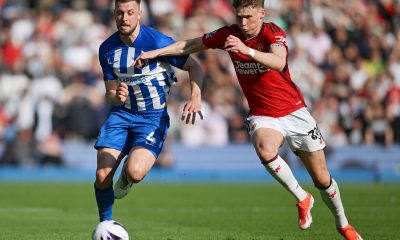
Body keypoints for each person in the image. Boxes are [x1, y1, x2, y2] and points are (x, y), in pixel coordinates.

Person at [137, 0, 362, 239]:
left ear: (262, 13)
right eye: (239, 17)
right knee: (266, 150)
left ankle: (342, 223)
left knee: (322, 178)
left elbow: (279, 62)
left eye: (249, 17)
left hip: (294, 112)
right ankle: (301, 197)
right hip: (263, 114)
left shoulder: (272, 32)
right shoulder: (229, 34)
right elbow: (191, 44)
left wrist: (247, 51)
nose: (243, 23)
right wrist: (155, 53)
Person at [94, 0, 203, 223]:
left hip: (152, 119)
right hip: (121, 116)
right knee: (102, 176)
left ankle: (126, 176)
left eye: (130, 13)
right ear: (114, 14)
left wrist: (195, 97)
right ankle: (106, 225)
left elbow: (195, 66)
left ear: (140, 14)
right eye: (120, 13)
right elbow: (110, 94)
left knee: (135, 173)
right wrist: (117, 96)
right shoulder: (107, 49)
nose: (124, 18)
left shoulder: (158, 42)